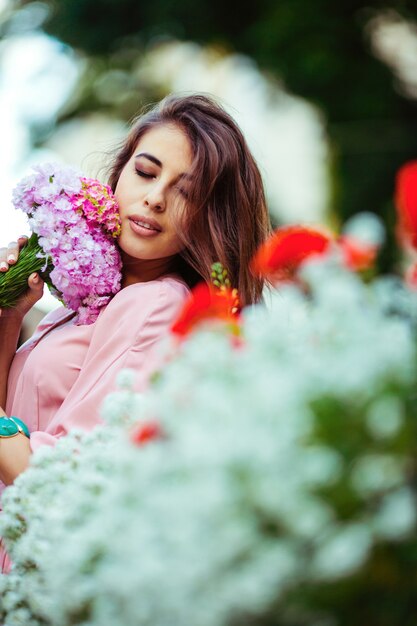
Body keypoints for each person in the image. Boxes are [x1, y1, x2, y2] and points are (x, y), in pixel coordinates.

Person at [0, 93, 271, 572]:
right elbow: (15, 417)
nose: (155, 198)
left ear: (210, 216)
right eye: (146, 173)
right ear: (120, 173)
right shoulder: (94, 297)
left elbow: (65, 479)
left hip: (44, 565)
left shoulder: (153, 304)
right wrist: (10, 315)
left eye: (186, 191)